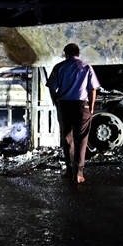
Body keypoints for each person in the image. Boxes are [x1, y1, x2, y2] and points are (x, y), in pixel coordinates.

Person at [46, 43, 101, 183]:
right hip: (82, 106)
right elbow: (93, 89)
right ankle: (78, 174)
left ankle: (70, 170)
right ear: (78, 53)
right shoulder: (86, 67)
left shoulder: (59, 67)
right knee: (81, 140)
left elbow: (52, 88)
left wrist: (56, 102)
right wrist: (91, 108)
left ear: (65, 54)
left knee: (67, 138)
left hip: (64, 106)